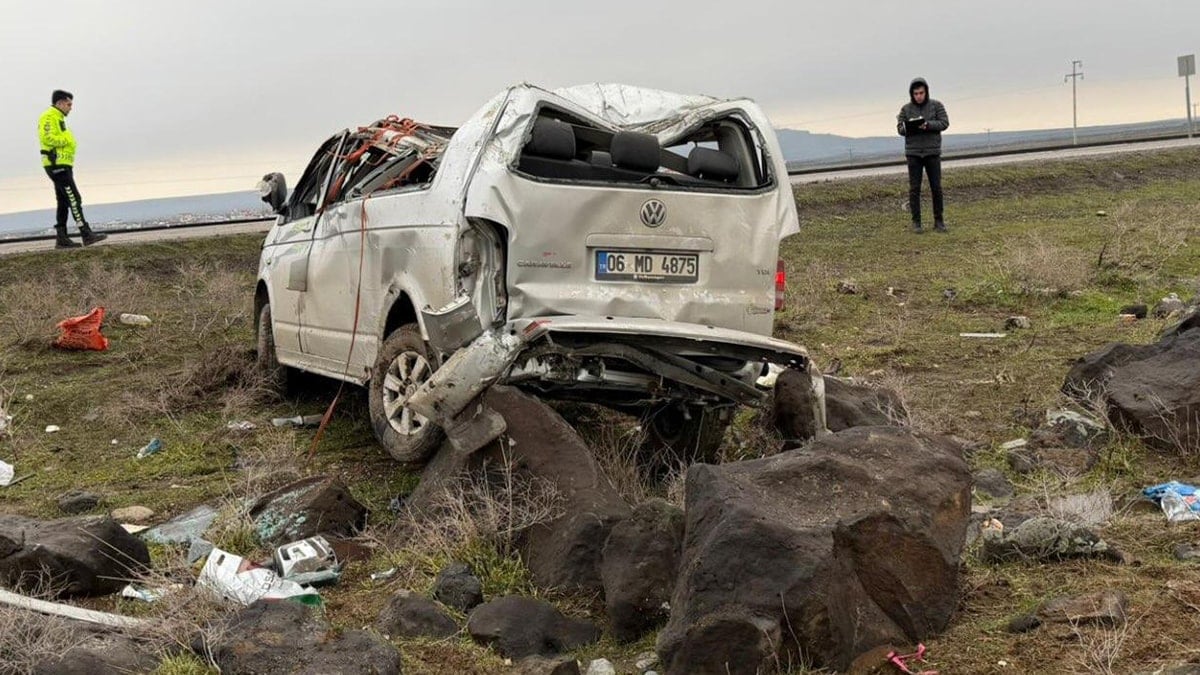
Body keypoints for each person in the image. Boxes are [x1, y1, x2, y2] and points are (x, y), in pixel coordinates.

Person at [39, 90, 107, 248]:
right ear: (60, 103)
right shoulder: (49, 116)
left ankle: (61, 238)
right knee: (74, 198)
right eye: (69, 104)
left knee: (63, 201)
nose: (71, 108)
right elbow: (47, 137)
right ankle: (86, 233)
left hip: (61, 164)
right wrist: (68, 139)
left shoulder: (58, 117)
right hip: (56, 165)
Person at [896, 77, 949, 233]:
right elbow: (900, 128)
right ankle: (916, 223)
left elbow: (944, 123)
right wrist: (908, 127)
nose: (919, 96)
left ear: (926, 92)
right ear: (912, 94)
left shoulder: (936, 105)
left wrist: (928, 125)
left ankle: (939, 221)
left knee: (936, 188)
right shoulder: (905, 109)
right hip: (914, 154)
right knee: (914, 189)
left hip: (932, 152)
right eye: (916, 93)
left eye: (921, 93)